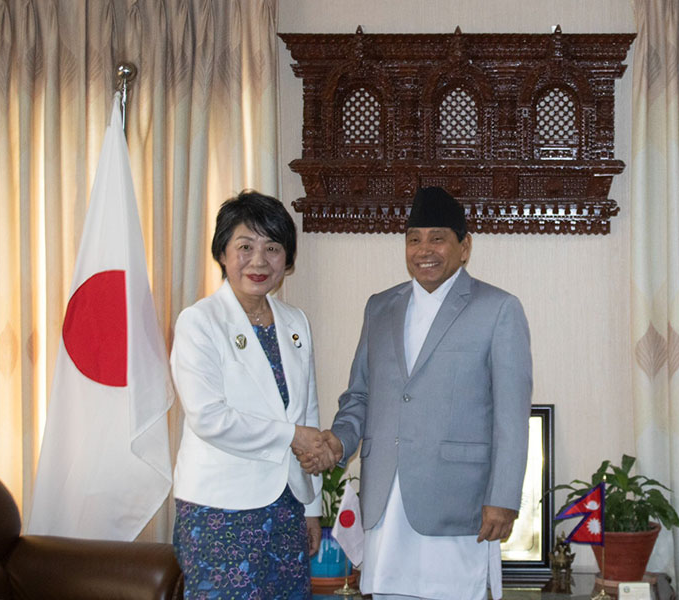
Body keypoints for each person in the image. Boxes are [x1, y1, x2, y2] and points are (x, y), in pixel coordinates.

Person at [301, 186, 533, 600]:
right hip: (385, 501)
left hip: (457, 504)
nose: (424, 250)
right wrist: (337, 442)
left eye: (437, 238)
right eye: (414, 239)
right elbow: (360, 395)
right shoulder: (379, 307)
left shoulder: (498, 308)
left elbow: (511, 416)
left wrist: (503, 497)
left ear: (464, 247)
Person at [170, 190, 329, 599]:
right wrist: (291, 436)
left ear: (287, 259)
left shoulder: (295, 322)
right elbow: (209, 418)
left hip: (287, 506)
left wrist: (312, 508)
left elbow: (307, 412)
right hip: (220, 509)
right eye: (245, 246)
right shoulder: (199, 322)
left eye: (272, 248)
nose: (259, 261)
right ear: (222, 252)